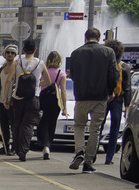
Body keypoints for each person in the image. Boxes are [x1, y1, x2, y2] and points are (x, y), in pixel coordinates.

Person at [68, 27, 119, 174]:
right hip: (100, 97)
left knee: (79, 126)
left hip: (81, 96)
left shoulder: (76, 53)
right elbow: (113, 75)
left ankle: (79, 151)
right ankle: (88, 163)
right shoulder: (108, 52)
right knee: (95, 130)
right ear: (98, 39)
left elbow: (73, 75)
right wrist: (110, 91)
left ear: (85, 38)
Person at [2, 38, 49, 162]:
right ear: (35, 50)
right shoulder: (40, 63)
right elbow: (48, 81)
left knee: (17, 124)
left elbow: (8, 80)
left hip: (18, 98)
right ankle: (24, 150)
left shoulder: (17, 62)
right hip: (33, 98)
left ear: (23, 50)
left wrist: (6, 98)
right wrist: (37, 84)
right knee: (28, 125)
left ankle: (17, 149)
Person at [98, 40, 132, 165]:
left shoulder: (103, 65)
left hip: (104, 99)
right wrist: (127, 106)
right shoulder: (125, 67)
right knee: (115, 129)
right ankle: (109, 157)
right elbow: (127, 88)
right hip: (118, 100)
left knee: (98, 127)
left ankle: (92, 154)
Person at [38, 51, 69, 160]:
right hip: (55, 101)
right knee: (52, 123)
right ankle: (48, 145)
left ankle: (44, 144)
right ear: (59, 61)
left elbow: (38, 83)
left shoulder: (43, 71)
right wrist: (64, 108)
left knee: (43, 122)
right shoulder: (61, 74)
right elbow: (63, 91)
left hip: (43, 99)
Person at [0, 45, 19, 156]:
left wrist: (12, 98)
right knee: (3, 125)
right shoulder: (2, 68)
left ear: (15, 55)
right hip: (2, 101)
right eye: (8, 52)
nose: (9, 54)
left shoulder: (17, 68)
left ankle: (15, 147)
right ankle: (5, 146)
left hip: (13, 101)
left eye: (12, 53)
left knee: (14, 125)